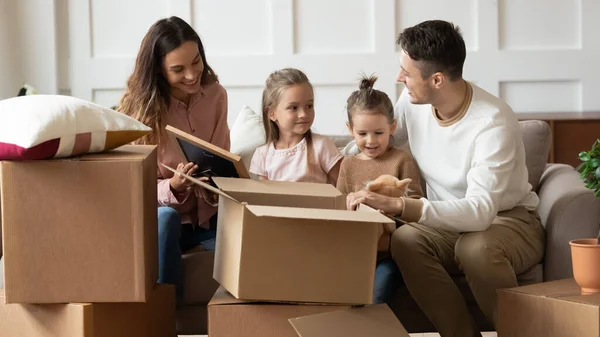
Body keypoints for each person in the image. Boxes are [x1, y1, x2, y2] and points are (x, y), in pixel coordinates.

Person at [346, 20, 545, 337]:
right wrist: (328, 156)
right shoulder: (413, 104)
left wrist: (401, 205)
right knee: (405, 240)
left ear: (436, 79)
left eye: (407, 73)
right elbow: (378, 142)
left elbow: (480, 212)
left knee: (475, 248)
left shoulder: (492, 122)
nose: (400, 78)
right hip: (449, 224)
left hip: (507, 221)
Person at [118, 16, 228, 301]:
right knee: (166, 218)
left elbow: (221, 158)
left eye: (196, 62)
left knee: (255, 237)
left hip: (209, 221)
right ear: (158, 69)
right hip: (166, 223)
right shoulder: (139, 110)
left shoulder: (216, 96)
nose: (192, 75)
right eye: (178, 69)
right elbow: (132, 190)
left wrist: (217, 181)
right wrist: (174, 187)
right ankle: (165, 313)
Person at [336, 74, 423, 304]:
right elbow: (338, 206)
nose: (371, 141)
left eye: (379, 133)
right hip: (355, 251)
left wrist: (388, 210)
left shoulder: (401, 160)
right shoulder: (349, 163)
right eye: (362, 134)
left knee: (375, 295)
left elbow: (417, 207)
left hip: (389, 255)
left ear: (392, 127)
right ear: (350, 129)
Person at [249, 68, 342, 184]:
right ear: (272, 114)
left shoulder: (321, 146)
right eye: (293, 108)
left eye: (309, 106)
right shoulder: (262, 154)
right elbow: (264, 197)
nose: (303, 114)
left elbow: (345, 188)